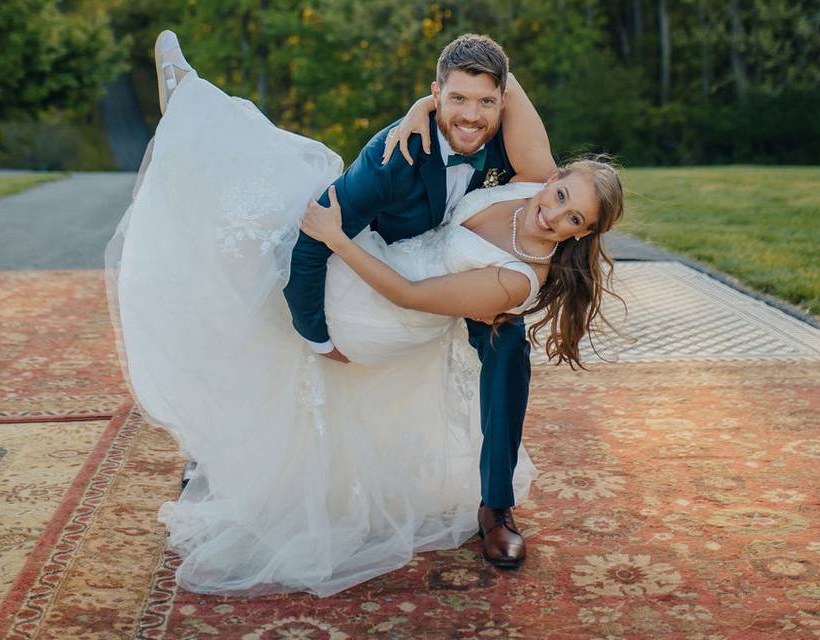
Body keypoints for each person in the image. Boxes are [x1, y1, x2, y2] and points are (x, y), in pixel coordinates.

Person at [104, 30, 624, 597]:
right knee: (255, 252)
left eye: (487, 103)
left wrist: (441, 101)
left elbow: (498, 80)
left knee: (508, 350)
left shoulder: (522, 166)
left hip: (462, 290)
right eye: (455, 100)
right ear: (438, 93)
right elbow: (315, 243)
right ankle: (190, 112)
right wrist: (316, 335)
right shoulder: (399, 152)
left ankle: (495, 509)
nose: (473, 116)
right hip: (382, 257)